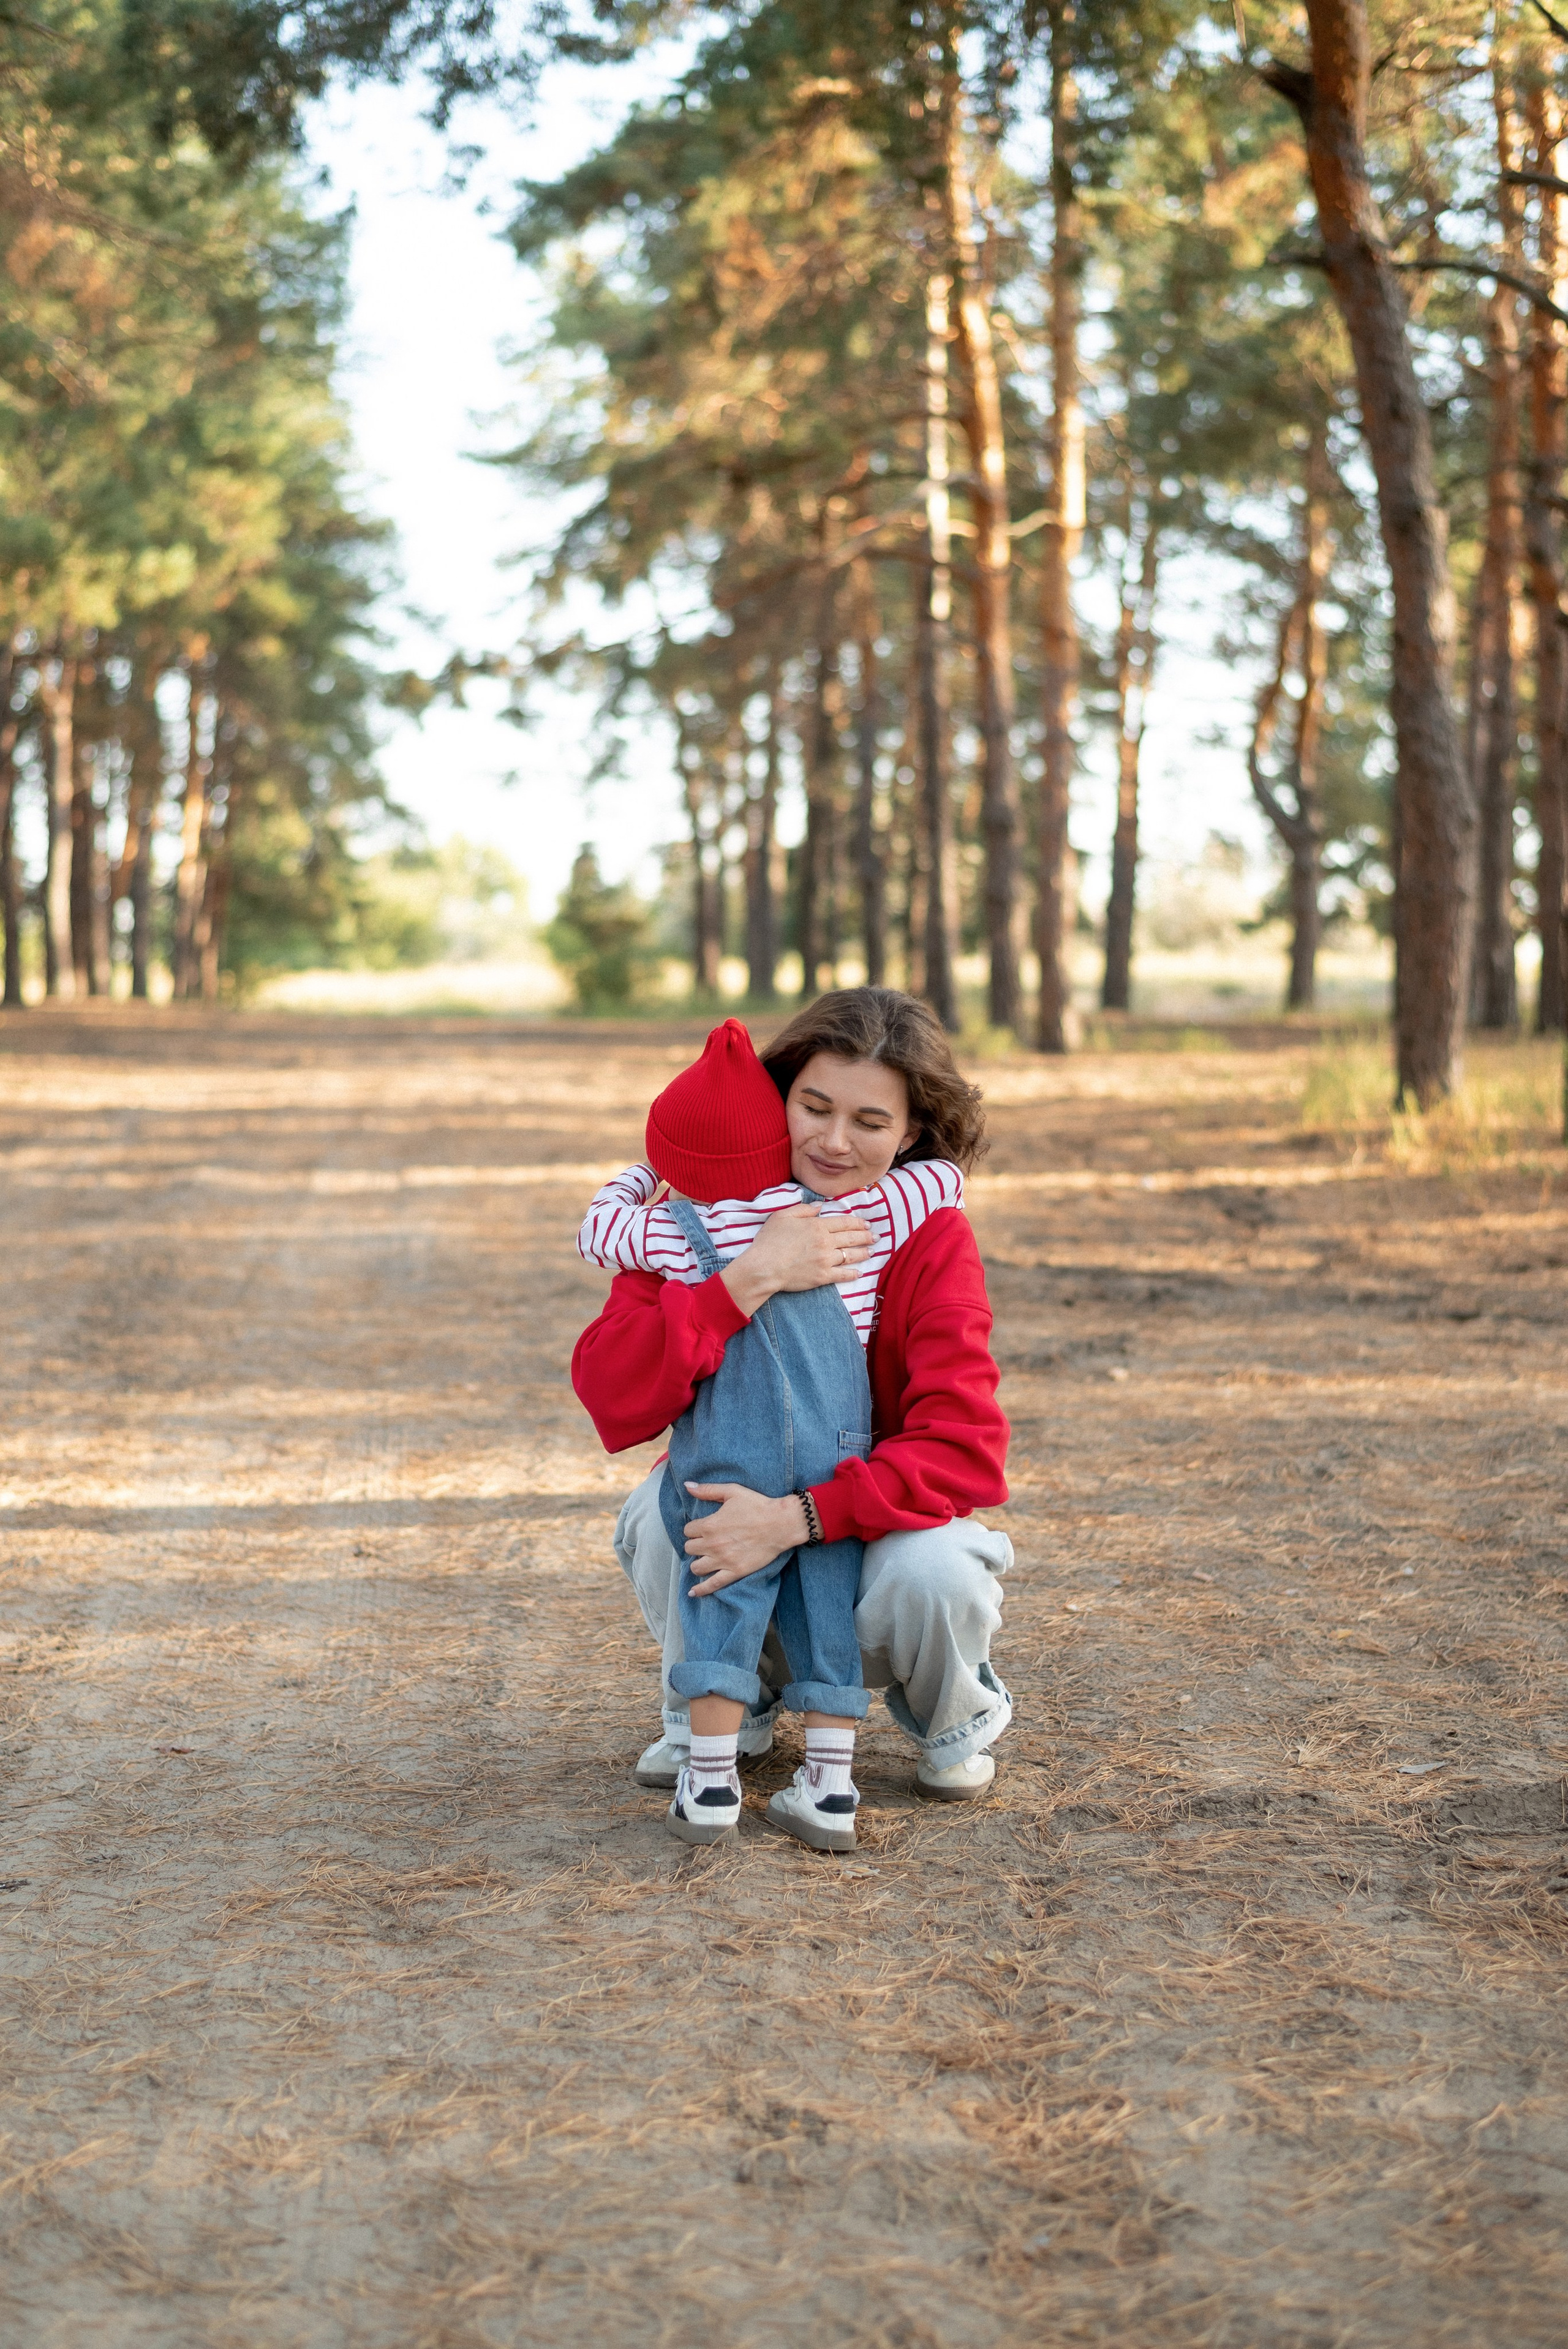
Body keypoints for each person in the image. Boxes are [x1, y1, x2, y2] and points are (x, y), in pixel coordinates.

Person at [572, 987, 1013, 1811]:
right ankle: (722, 1717)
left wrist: (799, 1517)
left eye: (871, 1123)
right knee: (658, 1517)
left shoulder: (927, 1234)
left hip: (867, 1525)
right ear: (778, 1096)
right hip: (736, 1500)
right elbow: (610, 1396)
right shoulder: (700, 1219)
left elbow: (965, 1447)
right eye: (813, 1106)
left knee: (938, 1570)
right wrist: (745, 1280)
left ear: (912, 1132)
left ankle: (955, 1724)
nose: (834, 1142)